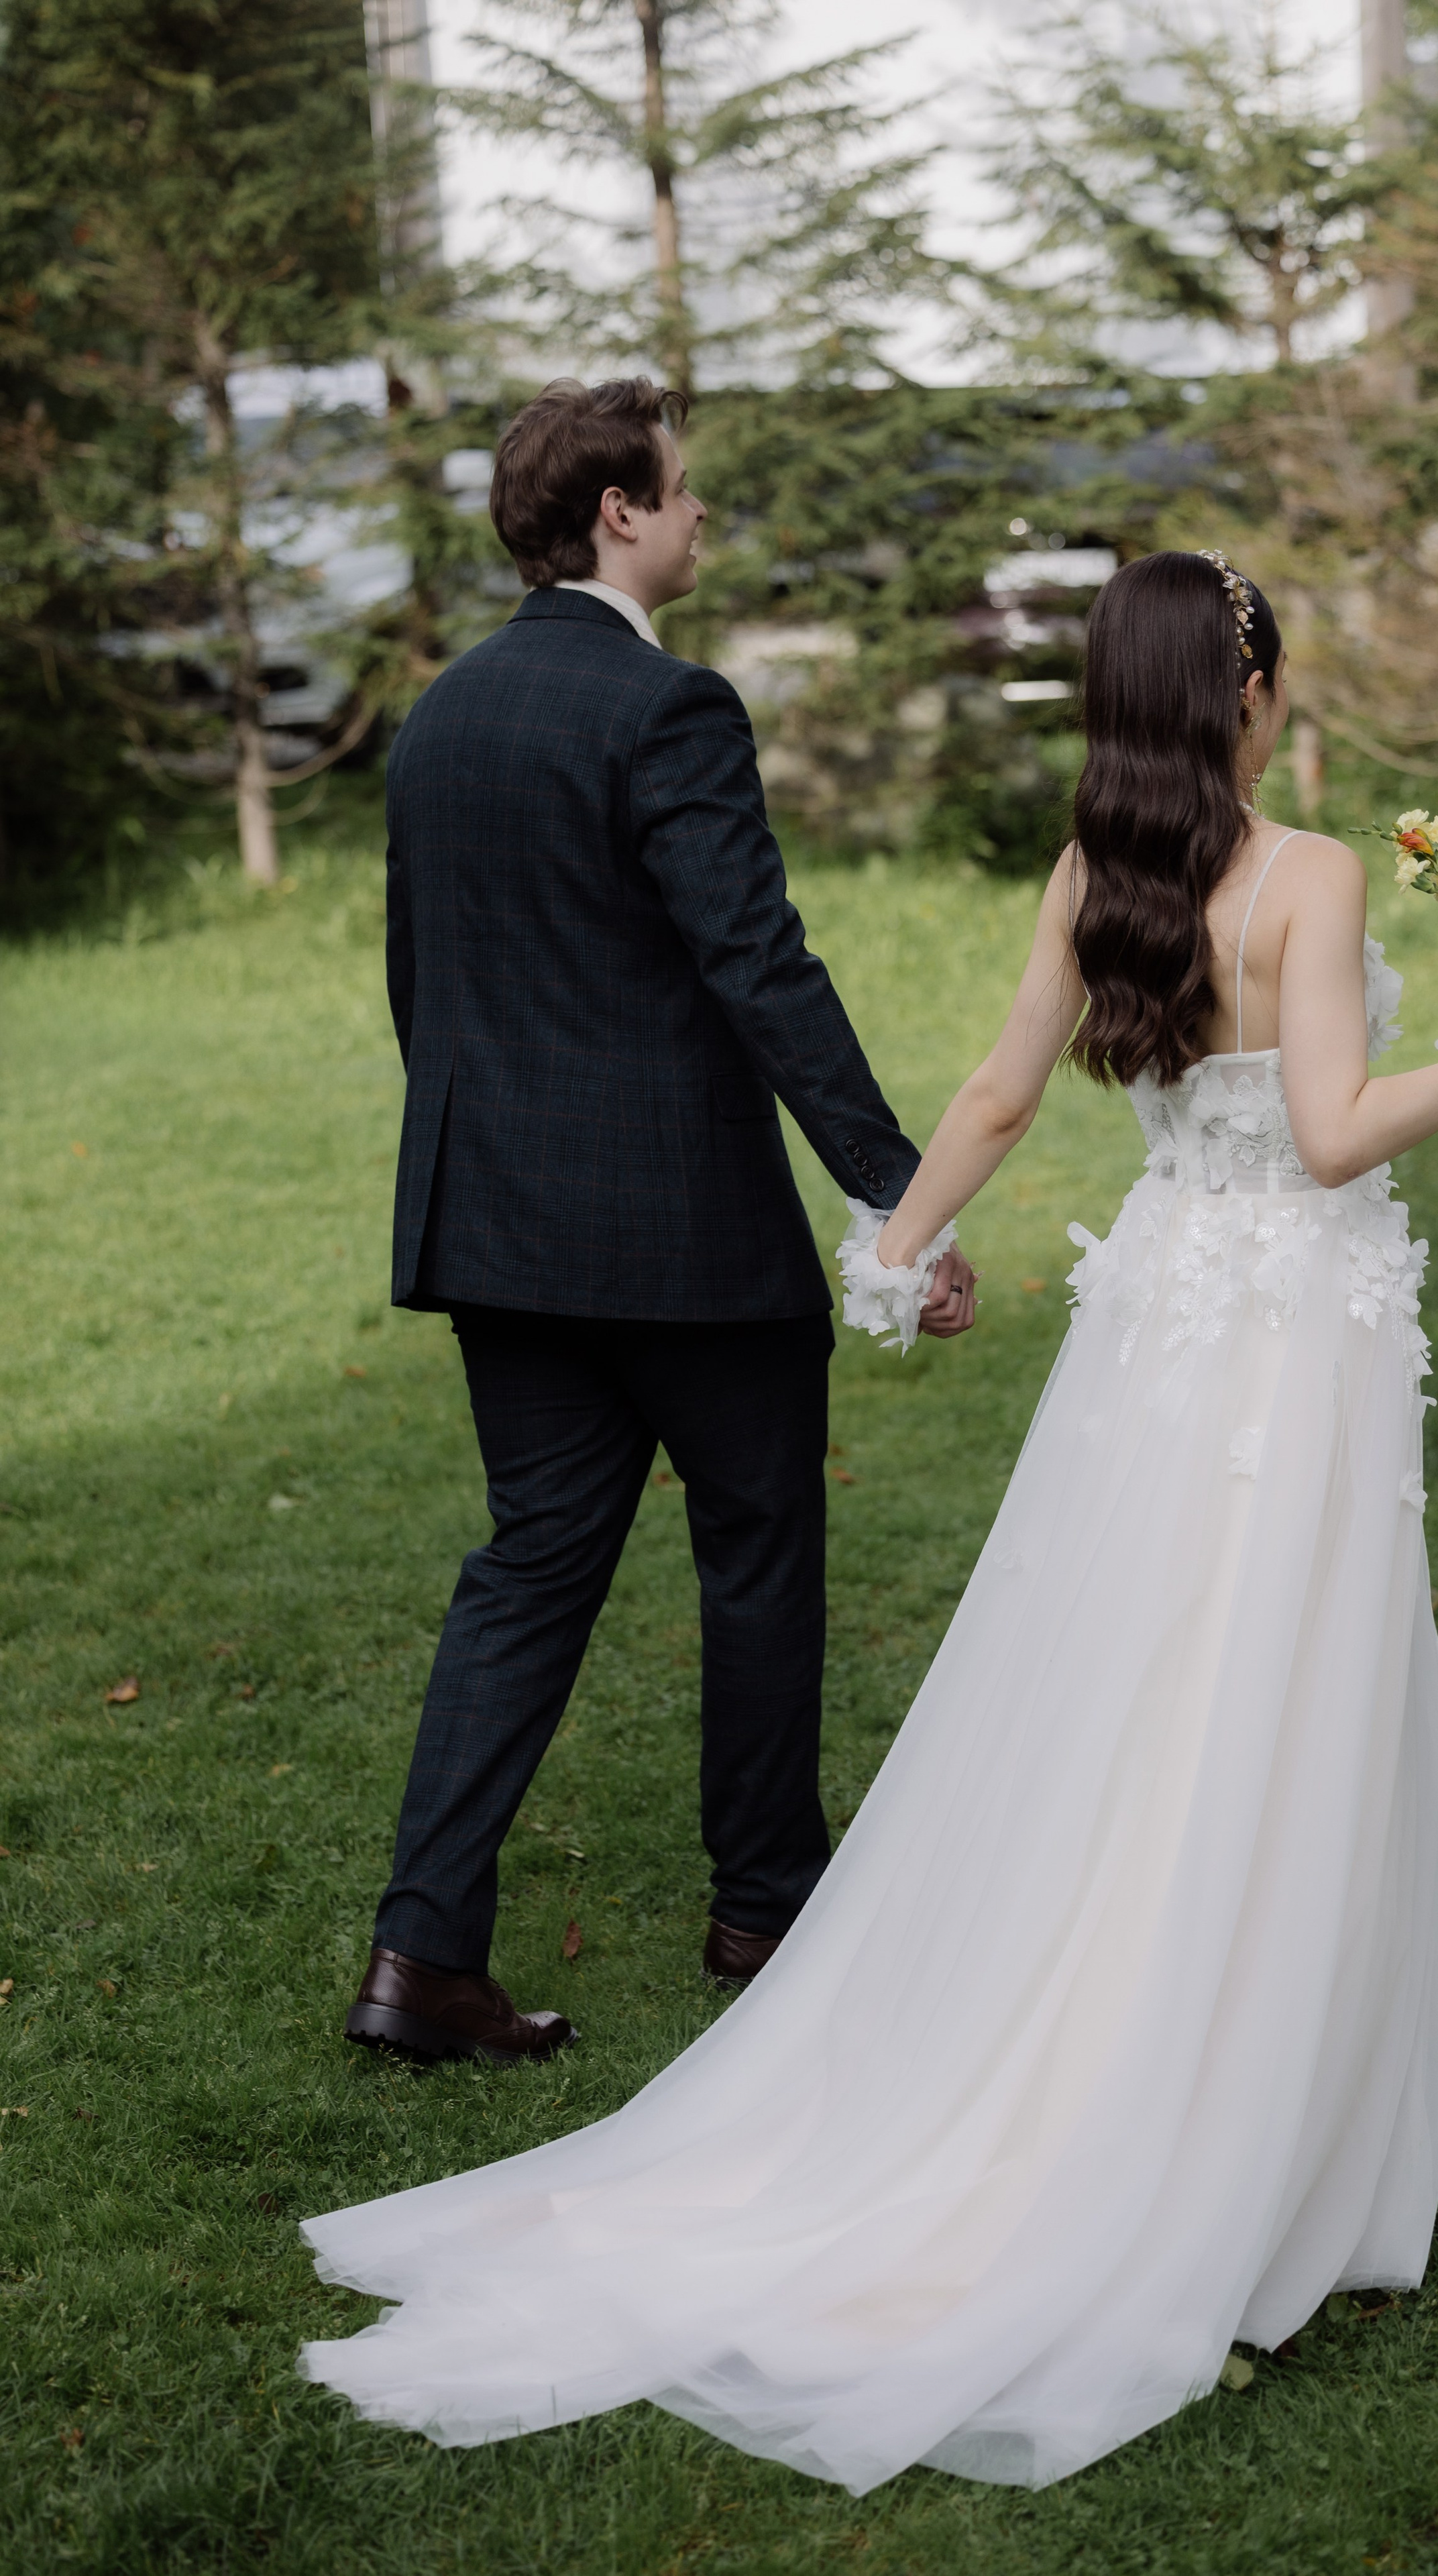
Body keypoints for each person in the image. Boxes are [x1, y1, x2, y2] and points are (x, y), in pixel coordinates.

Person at [302, 551, 1438, 2491]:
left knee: (1163, 1672)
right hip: (1287, 1324)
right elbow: (1334, 1132)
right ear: (1248, 693)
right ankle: (1250, 2060)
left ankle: (1383, 1984)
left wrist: (895, 1247)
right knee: (1289, 1654)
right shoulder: (1311, 873)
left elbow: (1000, 1095)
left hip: (1157, 1313)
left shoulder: (1097, 875)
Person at [343, 376, 975, 2071]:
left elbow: (423, 986)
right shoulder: (670, 705)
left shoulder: (441, 713)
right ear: (616, 513)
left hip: (494, 1226)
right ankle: (764, 1906)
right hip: (685, 1240)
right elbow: (757, 962)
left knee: (530, 1569)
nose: (701, 514)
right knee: (756, 1547)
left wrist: (488, 1171)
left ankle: (419, 1957)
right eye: (683, 489)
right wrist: (897, 1196)